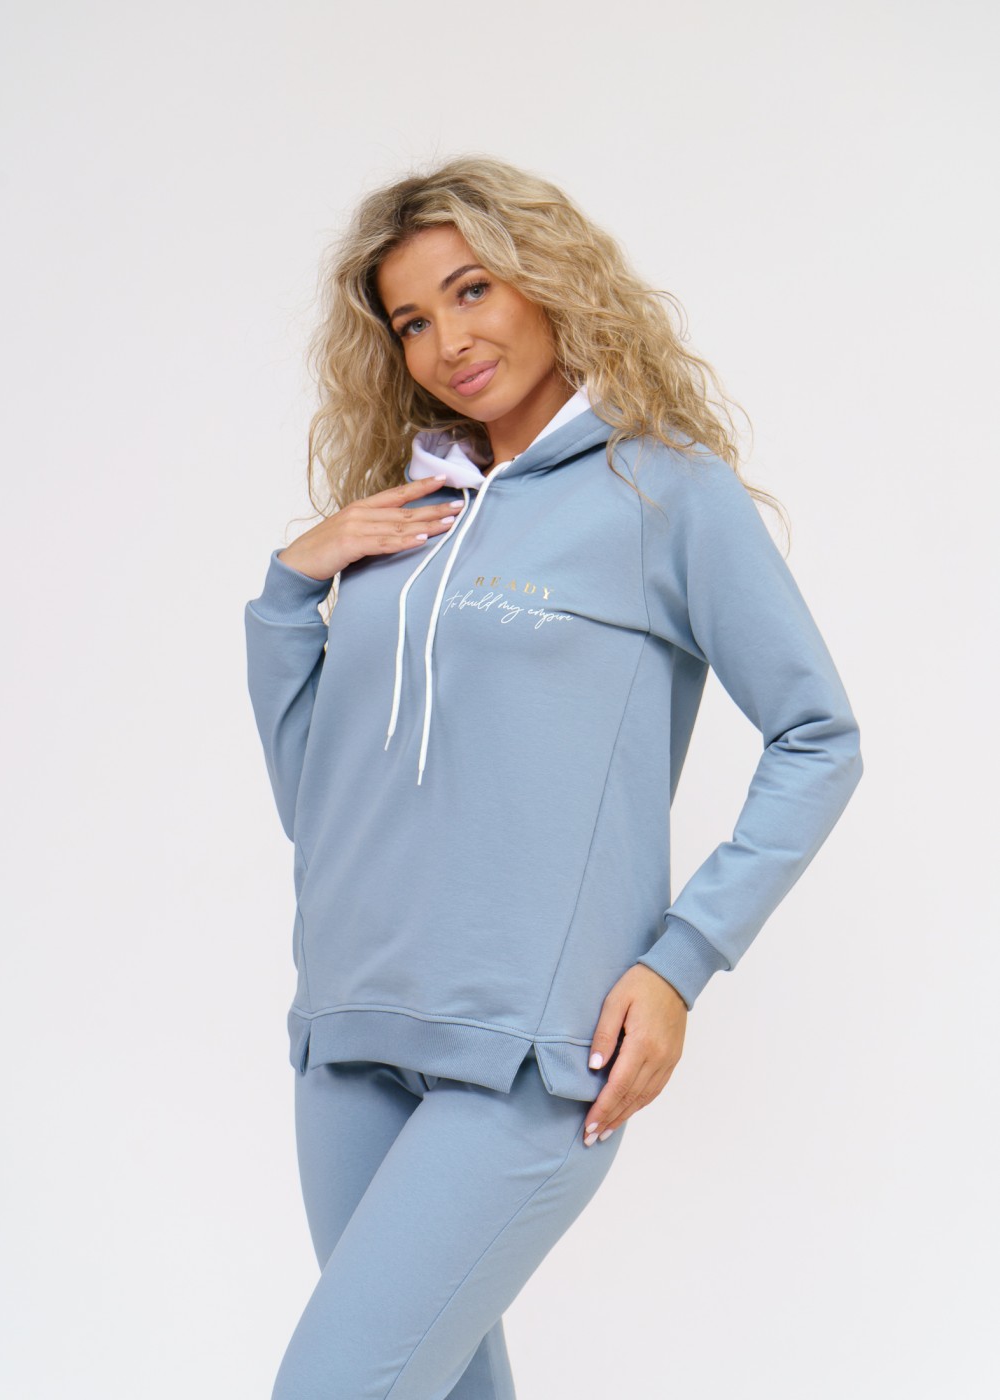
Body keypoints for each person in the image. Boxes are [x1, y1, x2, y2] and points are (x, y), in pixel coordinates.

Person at [243, 153, 864, 1399]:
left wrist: (681, 959)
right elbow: (322, 804)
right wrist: (287, 596)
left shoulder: (663, 489)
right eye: (412, 321)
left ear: (547, 279)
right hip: (350, 1032)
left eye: (472, 290)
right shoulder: (407, 517)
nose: (448, 341)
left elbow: (818, 735)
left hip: (528, 1053)